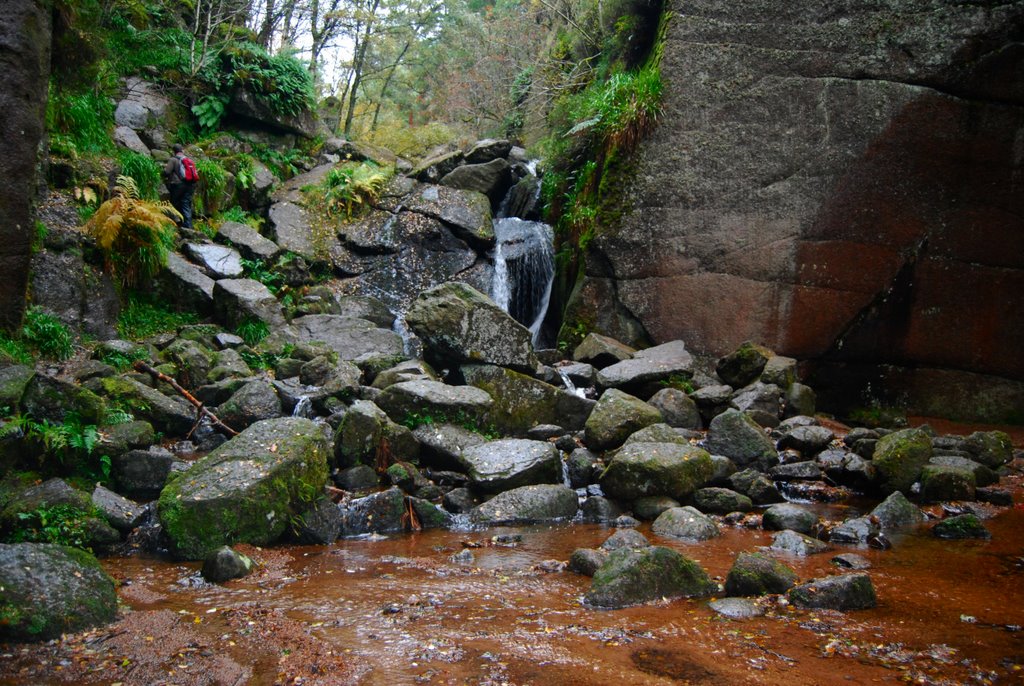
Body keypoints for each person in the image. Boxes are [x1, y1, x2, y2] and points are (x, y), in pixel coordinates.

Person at [164, 143, 195, 229]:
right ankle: (188, 225)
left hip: (178, 185)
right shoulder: (188, 160)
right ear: (182, 150)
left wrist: (164, 169)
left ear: (173, 151)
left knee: (173, 203)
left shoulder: (173, 160)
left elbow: (167, 172)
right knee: (185, 204)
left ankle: (173, 224)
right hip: (190, 185)